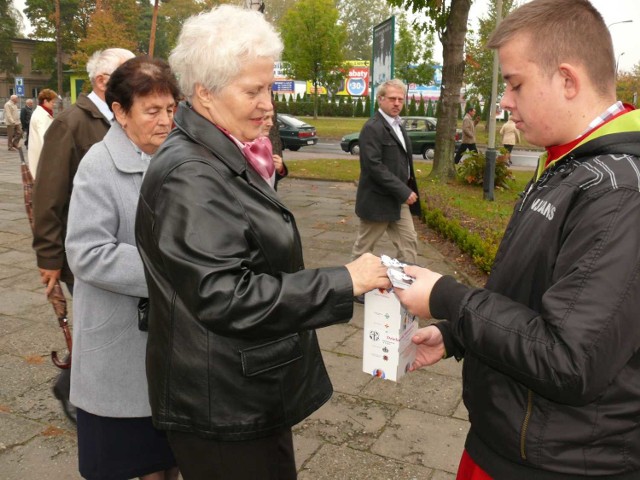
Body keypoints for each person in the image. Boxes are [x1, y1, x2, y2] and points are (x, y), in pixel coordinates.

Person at [135, 6, 390, 479]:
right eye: (253, 91)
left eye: (268, 88)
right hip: (223, 406)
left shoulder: (214, 151)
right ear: (204, 93)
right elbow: (226, 296)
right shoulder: (191, 175)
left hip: (240, 391)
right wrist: (344, 282)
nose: (268, 104)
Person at [395, 1, 640, 478]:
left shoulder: (620, 193)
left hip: (556, 462)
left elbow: (571, 361)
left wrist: (447, 297)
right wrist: (455, 334)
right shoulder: (570, 163)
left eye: (515, 83)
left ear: (568, 80)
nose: (504, 100)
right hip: (512, 440)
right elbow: (533, 299)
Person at [65, 56, 180, 480]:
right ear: (119, 111)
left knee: (171, 464)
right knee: (138, 467)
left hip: (169, 352)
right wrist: (175, 271)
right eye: (152, 110)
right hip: (121, 354)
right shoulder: (99, 164)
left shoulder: (172, 158)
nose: (165, 120)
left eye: (170, 109)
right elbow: (87, 252)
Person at [31, 47, 134, 424]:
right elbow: (49, 193)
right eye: (129, 74)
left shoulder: (120, 117)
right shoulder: (73, 122)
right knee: (103, 325)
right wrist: (48, 257)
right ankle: (78, 388)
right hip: (88, 248)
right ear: (104, 81)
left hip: (122, 242)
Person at [350, 79, 420, 303]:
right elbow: (373, 166)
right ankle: (354, 289)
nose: (397, 103)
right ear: (380, 99)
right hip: (378, 200)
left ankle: (403, 285)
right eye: (392, 99)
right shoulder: (373, 127)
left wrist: (406, 187)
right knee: (365, 247)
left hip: (397, 199)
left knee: (409, 242)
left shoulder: (398, 125)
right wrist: (403, 190)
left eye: (400, 99)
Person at [28, 89, 57, 177]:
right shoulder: (42, 116)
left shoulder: (41, 113)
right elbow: (45, 138)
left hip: (39, 155)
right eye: (52, 102)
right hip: (43, 157)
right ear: (45, 101)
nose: (54, 104)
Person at [261, 111, 288, 189]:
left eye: (271, 118)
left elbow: (271, 180)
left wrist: (280, 169)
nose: (271, 123)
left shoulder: (266, 142)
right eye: (265, 118)